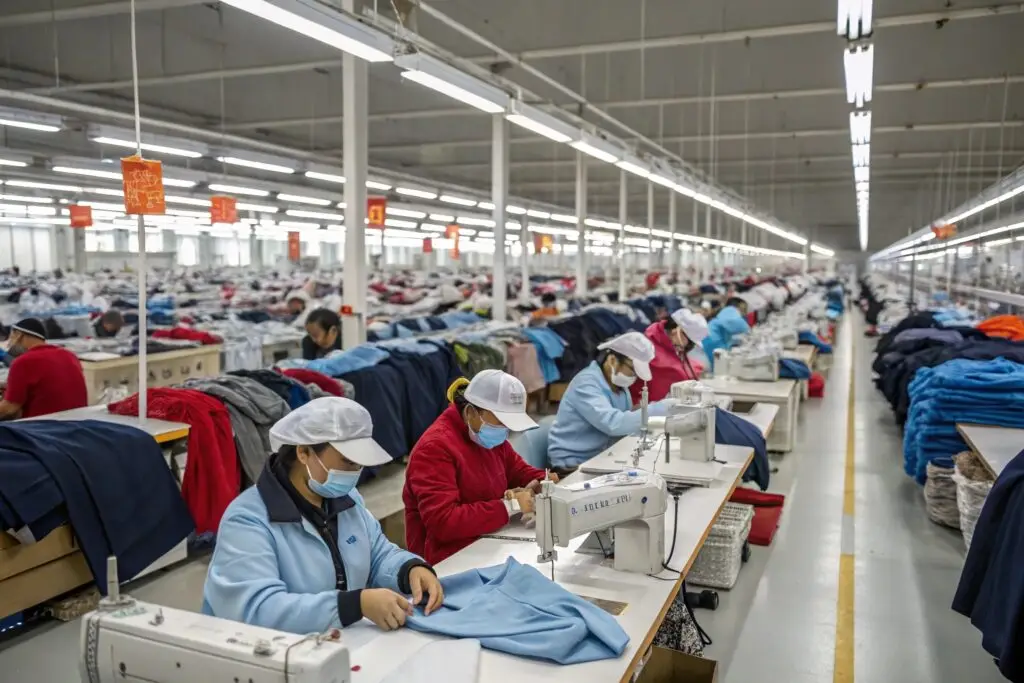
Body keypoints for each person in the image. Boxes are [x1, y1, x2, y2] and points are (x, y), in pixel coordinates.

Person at [202, 397, 443, 634]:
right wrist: (354, 605)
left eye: (360, 464)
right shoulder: (247, 521)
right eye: (348, 462)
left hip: (333, 644)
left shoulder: (347, 501)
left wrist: (409, 570)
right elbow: (258, 610)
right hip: (265, 658)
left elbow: (377, 554)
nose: (356, 472)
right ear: (304, 452)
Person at [403, 370, 554, 564]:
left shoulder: (487, 437)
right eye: (501, 422)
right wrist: (512, 505)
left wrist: (544, 481)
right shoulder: (434, 448)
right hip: (447, 559)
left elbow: (517, 470)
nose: (504, 431)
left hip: (486, 541)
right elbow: (444, 522)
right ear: (471, 412)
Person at [547, 331, 665, 472]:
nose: (634, 377)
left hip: (603, 457)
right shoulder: (586, 384)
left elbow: (625, 416)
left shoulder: (618, 386)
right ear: (612, 360)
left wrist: (654, 409)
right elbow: (613, 424)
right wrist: (659, 409)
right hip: (573, 465)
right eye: (632, 370)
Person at [0, 318, 88, 420]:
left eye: (11, 338)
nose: (10, 344)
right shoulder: (69, 355)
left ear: (19, 335)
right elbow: (48, 385)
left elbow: (9, 408)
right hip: (78, 423)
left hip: (43, 429)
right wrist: (8, 385)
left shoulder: (23, 362)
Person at [631, 308, 709, 403]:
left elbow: (677, 360)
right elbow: (673, 371)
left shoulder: (664, 340)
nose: (688, 347)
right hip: (646, 409)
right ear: (676, 332)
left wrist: (696, 367)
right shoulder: (649, 348)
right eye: (690, 343)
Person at [703, 296, 751, 369]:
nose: (745, 312)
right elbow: (740, 326)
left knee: (717, 367)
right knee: (718, 368)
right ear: (738, 306)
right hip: (713, 343)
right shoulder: (730, 310)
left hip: (712, 341)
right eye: (744, 309)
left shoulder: (725, 312)